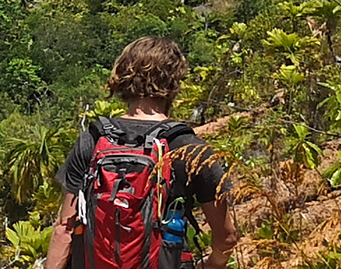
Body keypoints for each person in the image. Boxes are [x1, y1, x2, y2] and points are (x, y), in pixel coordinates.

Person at [43, 37, 236, 269]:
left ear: (122, 78)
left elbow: (64, 229)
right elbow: (226, 237)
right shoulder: (189, 148)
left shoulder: (94, 140)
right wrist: (212, 264)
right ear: (175, 82)